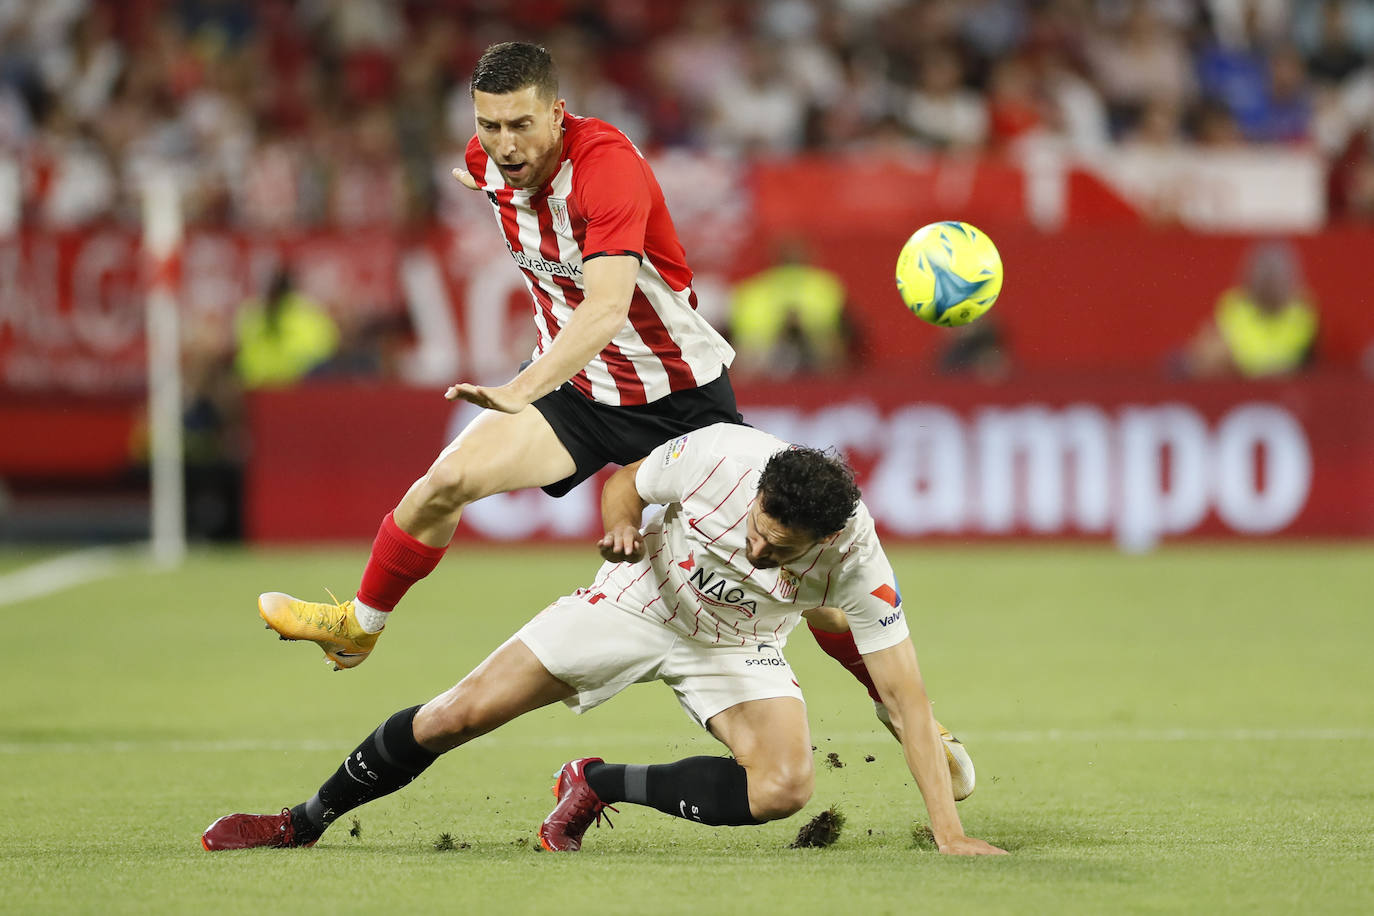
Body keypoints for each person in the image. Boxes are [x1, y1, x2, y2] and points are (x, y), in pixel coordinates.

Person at [202, 424, 1006, 857]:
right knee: (458, 715)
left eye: (782, 549)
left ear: (826, 540)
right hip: (639, 597)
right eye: (759, 532)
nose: (761, 550)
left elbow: (905, 694)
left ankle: (596, 783)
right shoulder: (723, 457)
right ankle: (300, 821)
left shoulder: (860, 560)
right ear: (757, 494)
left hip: (739, 644)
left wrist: (950, 834)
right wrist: (620, 524)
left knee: (786, 787)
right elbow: (625, 481)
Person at [257, 41, 739, 668]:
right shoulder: (485, 163)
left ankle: (883, 685)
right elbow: (507, 187)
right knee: (447, 481)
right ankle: (359, 624)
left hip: (679, 395)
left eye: (521, 125)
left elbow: (607, 308)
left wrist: (521, 388)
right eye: (489, 126)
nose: (505, 144)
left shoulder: (608, 169)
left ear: (558, 113)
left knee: (795, 560)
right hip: (583, 392)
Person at [1181, 241, 1318, 379]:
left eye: (1275, 275)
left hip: (1275, 381)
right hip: (1240, 380)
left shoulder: (1302, 310)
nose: (1269, 279)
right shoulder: (1234, 306)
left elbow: (1294, 360)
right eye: (1264, 274)